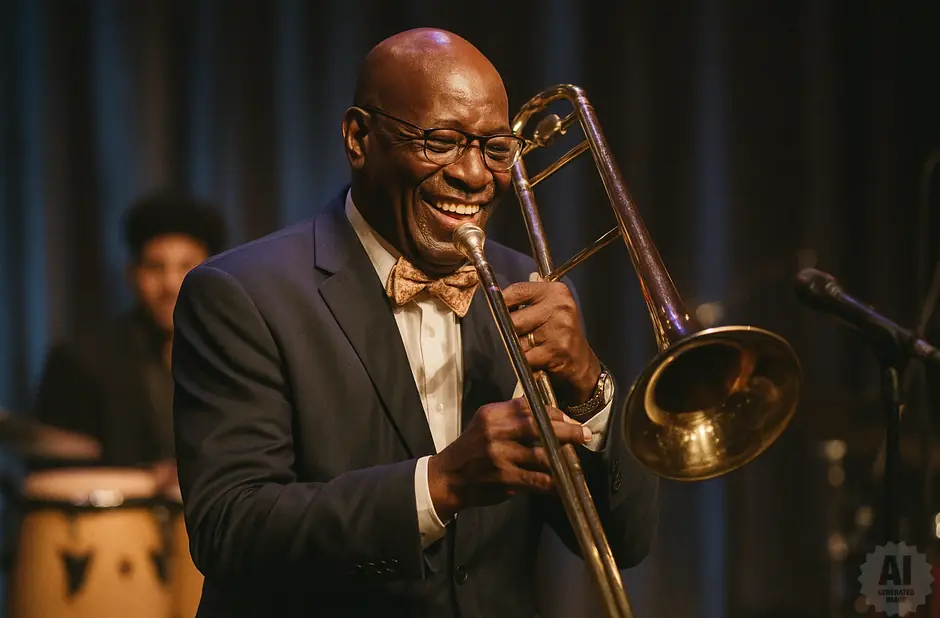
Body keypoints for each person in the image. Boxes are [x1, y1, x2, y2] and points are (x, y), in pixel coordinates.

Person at [172, 28, 658, 618]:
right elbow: (231, 529)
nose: (475, 175)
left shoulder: (530, 284)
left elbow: (625, 542)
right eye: (443, 141)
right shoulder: (241, 293)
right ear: (359, 138)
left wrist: (588, 384)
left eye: (496, 149)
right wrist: (439, 484)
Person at [32, 190, 226, 488]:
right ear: (131, 275)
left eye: (187, 266)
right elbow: (53, 475)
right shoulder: (79, 362)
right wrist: (147, 478)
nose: (171, 284)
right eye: (155, 267)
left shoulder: (236, 355)